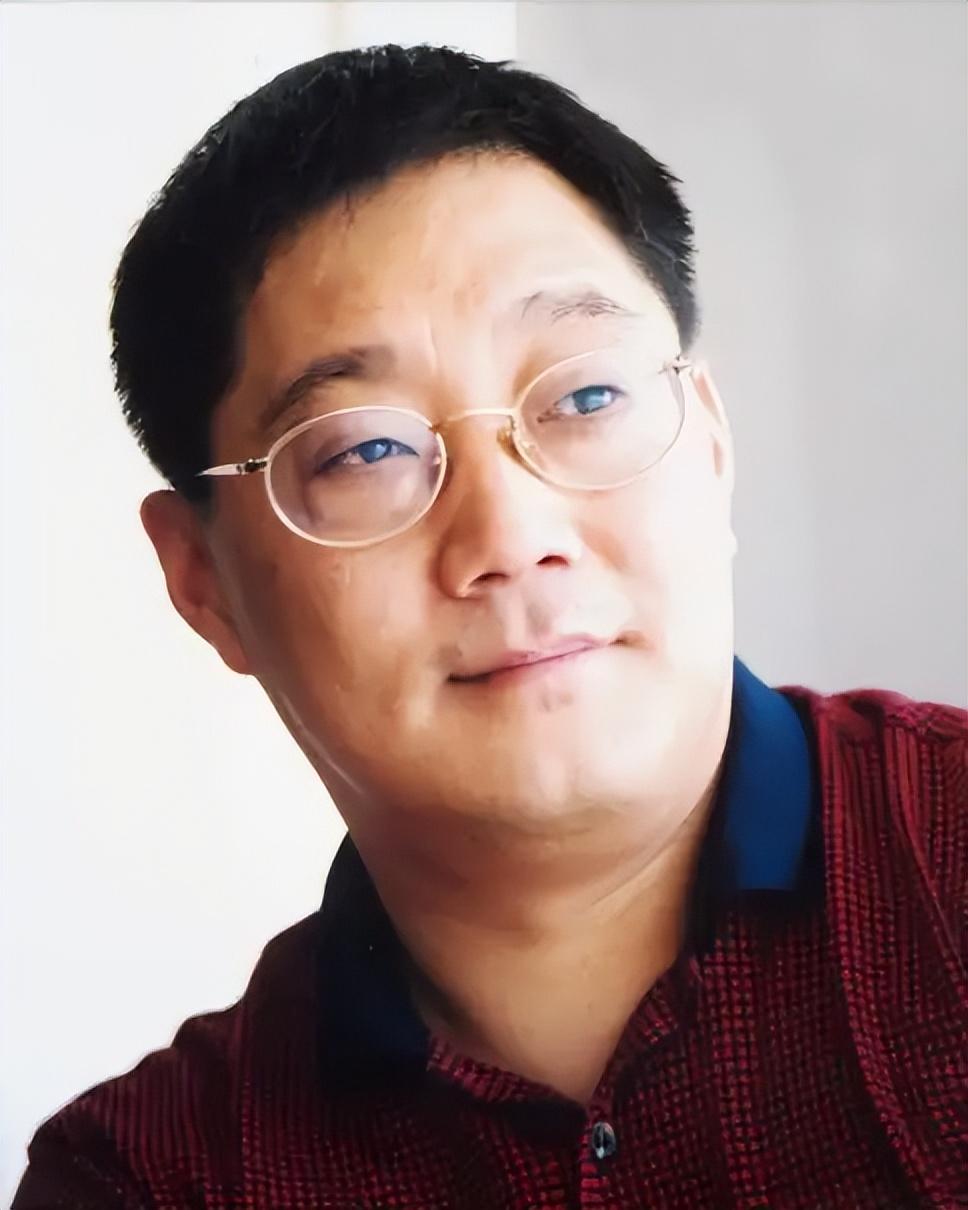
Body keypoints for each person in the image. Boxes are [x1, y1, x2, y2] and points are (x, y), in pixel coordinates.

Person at [12, 43, 966, 1210]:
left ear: (709, 444)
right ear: (202, 579)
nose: (510, 535)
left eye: (585, 395)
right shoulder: (152, 1179)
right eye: (364, 450)